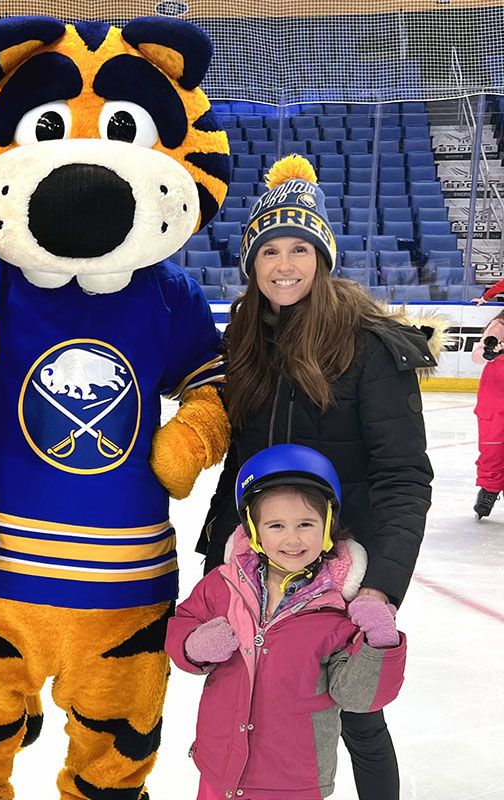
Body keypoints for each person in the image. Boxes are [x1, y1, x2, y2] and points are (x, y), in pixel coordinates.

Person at [196, 155, 435, 800]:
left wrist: (381, 587)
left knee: (357, 712)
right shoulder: (247, 341)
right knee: (259, 702)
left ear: (323, 256)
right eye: (269, 249)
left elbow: (404, 476)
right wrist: (217, 558)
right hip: (263, 561)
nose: (284, 264)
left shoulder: (368, 346)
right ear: (251, 262)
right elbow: (240, 466)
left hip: (344, 567)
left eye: (299, 247)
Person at [169, 444, 407, 800]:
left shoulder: (338, 610)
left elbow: (358, 696)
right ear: (254, 530)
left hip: (292, 782)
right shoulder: (223, 584)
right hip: (220, 769)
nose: (292, 539)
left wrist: (380, 643)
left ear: (328, 526)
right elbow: (183, 621)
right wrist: (192, 645)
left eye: (306, 524)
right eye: (276, 525)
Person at [472, 309, 504, 518]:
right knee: (493, 446)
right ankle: (489, 490)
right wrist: (489, 352)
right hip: (496, 397)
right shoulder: (499, 327)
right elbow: (477, 355)